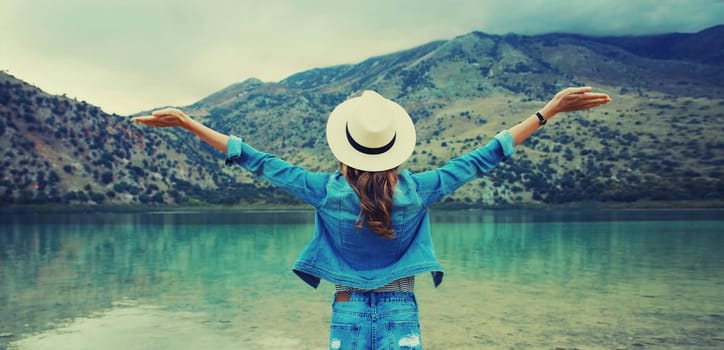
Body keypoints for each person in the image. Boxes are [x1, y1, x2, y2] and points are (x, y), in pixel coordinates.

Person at [132, 87, 611, 349]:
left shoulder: (322, 191)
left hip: (347, 310)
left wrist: (189, 122)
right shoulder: (421, 189)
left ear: (345, 148)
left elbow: (253, 158)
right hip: (402, 308)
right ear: (395, 149)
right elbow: (488, 154)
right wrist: (548, 111)